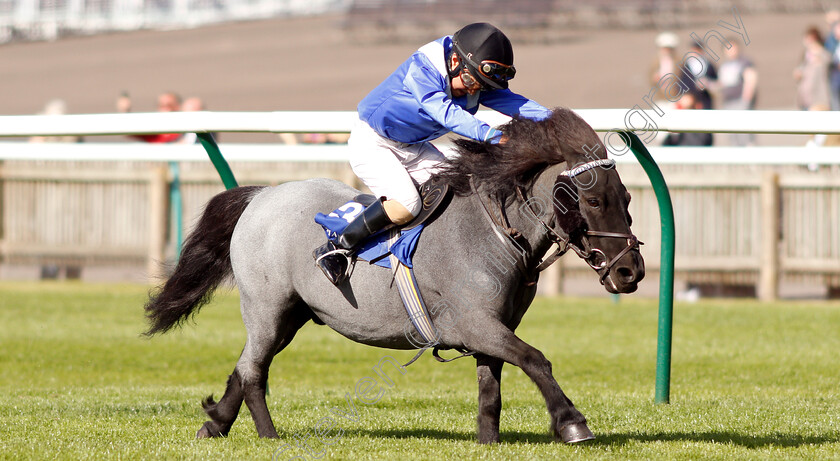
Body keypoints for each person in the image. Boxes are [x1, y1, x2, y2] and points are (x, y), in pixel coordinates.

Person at [314, 22, 552, 285]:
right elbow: (446, 113)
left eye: (482, 86)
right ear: (454, 60)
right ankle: (338, 246)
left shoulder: (470, 74)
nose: (475, 91)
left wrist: (558, 120)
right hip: (373, 143)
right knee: (408, 205)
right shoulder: (423, 68)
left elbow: (513, 102)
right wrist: (495, 137)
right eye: (473, 81)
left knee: (458, 192)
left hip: (413, 147)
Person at [717, 40, 758, 146]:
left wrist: (746, 100)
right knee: (732, 134)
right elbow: (721, 84)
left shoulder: (744, 62)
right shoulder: (725, 65)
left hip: (740, 102)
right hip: (728, 102)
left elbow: (751, 80)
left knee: (745, 133)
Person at [116, 91, 184, 143]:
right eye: (161, 105)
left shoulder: (185, 129)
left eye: (169, 105)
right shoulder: (154, 129)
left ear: (178, 106)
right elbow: (127, 131)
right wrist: (125, 111)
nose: (165, 109)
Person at [794, 27, 831, 111]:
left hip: (818, 100)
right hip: (804, 99)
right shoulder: (806, 55)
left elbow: (827, 62)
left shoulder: (823, 55)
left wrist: (817, 56)